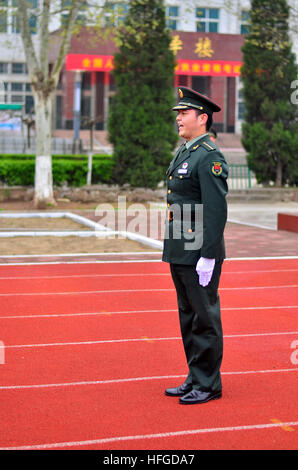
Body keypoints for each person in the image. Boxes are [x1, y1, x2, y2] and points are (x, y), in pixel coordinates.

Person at [162, 86, 228, 405]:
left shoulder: (209, 156)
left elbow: (215, 210)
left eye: (184, 113)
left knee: (204, 317)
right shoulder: (185, 150)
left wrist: (209, 256)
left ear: (203, 118)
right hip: (180, 245)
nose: (179, 118)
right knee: (187, 316)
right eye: (178, 113)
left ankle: (208, 383)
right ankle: (195, 376)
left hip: (199, 248)